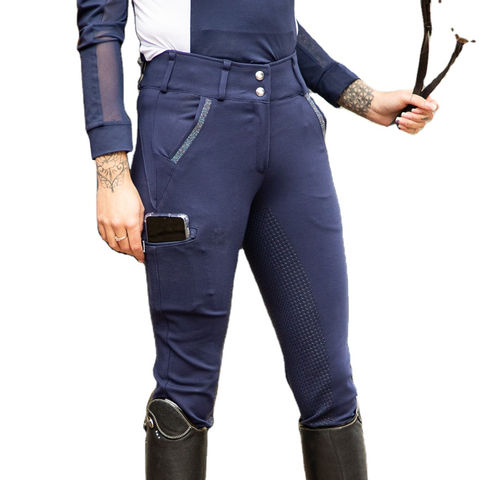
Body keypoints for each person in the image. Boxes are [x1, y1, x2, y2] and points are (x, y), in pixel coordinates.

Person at [76, 1, 438, 479]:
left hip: (291, 127)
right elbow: (100, 27)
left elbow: (270, 19)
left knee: (329, 379)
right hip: (189, 135)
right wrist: (111, 168)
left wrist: (359, 96)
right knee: (187, 383)